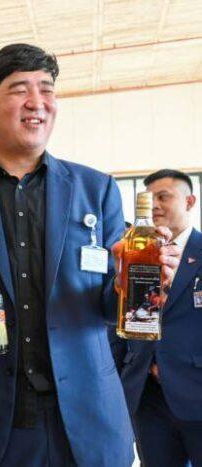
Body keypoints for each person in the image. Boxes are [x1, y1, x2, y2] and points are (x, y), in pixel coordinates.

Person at [0, 43, 180, 466]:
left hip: (88, 412)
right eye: (20, 89)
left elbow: (108, 309)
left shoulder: (96, 189)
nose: (37, 102)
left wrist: (129, 283)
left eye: (46, 89)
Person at [116, 169, 202, 466]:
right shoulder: (133, 250)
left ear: (189, 201)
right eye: (149, 198)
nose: (154, 205)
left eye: (163, 197)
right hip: (146, 395)